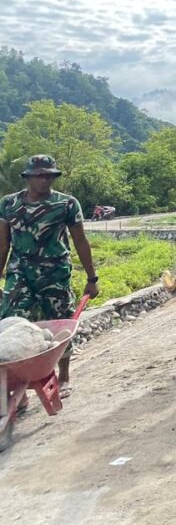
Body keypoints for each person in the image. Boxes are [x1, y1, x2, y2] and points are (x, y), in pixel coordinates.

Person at [0, 155, 99, 398]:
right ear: (28, 177)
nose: (45, 180)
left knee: (60, 322)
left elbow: (80, 241)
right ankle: (17, 387)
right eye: (40, 175)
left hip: (55, 274)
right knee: (12, 323)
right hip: (20, 273)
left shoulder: (66, 204)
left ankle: (64, 376)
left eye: (49, 175)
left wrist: (91, 278)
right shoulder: (8, 204)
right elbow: (2, 244)